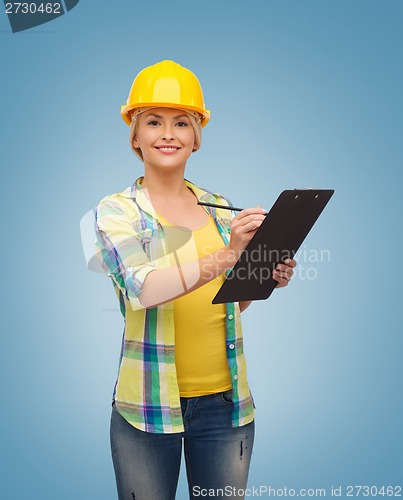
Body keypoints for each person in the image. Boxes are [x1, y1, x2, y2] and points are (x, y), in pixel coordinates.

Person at [94, 60, 296, 500]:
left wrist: (262, 276)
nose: (168, 133)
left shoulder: (218, 207)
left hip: (226, 407)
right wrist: (226, 255)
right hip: (146, 410)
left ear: (196, 136)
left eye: (181, 122)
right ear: (135, 135)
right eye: (154, 122)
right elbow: (145, 289)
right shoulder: (116, 212)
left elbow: (229, 303)